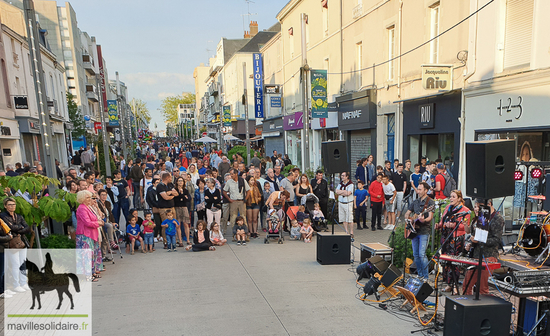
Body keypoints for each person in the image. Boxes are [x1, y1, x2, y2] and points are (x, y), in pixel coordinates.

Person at [463, 199, 504, 295]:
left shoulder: (497, 218)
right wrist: (471, 243)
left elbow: (496, 240)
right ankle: (467, 306)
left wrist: (479, 240)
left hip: (488, 255)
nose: (478, 209)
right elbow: (473, 234)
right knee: (466, 284)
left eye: (481, 206)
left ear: (489, 204)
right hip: (475, 254)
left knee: (482, 288)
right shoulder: (481, 217)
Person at [435, 190, 470, 294]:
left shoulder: (465, 210)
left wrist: (454, 225)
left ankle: (455, 285)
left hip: (456, 239)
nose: (451, 199)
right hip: (446, 237)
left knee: (454, 262)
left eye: (453, 197)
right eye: (450, 196)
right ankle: (449, 284)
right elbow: (443, 220)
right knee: (446, 261)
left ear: (459, 198)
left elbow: (465, 226)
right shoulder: (447, 208)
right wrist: (439, 225)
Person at [404, 182, 435, 280]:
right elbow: (406, 214)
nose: (418, 191)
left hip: (424, 231)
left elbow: (430, 217)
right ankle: (420, 275)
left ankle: (426, 277)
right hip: (414, 231)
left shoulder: (430, 202)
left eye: (420, 189)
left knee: (422, 254)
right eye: (418, 189)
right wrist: (410, 219)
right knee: (416, 255)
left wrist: (423, 220)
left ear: (426, 190)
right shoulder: (415, 201)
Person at [1, 197, 29, 294]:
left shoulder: (19, 216)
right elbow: (9, 228)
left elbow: (27, 227)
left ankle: (23, 282)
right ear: (5, 206)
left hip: (21, 241)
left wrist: (17, 229)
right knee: (15, 263)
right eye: (10, 205)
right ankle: (16, 284)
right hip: (11, 242)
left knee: (23, 262)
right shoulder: (3, 216)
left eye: (14, 204)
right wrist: (19, 227)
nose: (12, 206)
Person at [75, 191, 104, 282]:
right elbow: (87, 223)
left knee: (93, 253)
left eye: (90, 197)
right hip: (85, 234)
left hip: (92, 233)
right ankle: (88, 276)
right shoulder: (82, 208)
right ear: (82, 199)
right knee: (87, 256)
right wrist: (98, 223)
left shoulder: (88, 207)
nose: (90, 199)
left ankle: (93, 272)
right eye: (87, 198)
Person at [157, 172, 177, 248]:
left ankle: (174, 240)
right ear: (166, 178)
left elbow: (176, 193)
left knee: (174, 223)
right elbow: (165, 197)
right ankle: (166, 241)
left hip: (172, 207)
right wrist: (171, 195)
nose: (171, 179)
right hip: (163, 208)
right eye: (170, 178)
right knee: (166, 224)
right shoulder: (160, 186)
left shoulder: (170, 185)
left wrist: (170, 193)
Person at [335, 172, 354, 237]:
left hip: (348, 203)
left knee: (349, 218)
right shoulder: (340, 184)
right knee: (343, 218)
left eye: (343, 176)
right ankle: (346, 231)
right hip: (341, 203)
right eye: (341, 175)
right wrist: (344, 192)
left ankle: (351, 232)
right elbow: (336, 191)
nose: (342, 177)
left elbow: (348, 193)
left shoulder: (351, 184)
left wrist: (341, 192)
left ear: (347, 177)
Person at [173, 177, 191, 246]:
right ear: (177, 182)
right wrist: (182, 196)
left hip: (184, 207)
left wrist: (182, 194)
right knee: (178, 225)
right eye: (179, 181)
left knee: (186, 224)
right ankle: (180, 241)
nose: (180, 182)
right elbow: (176, 199)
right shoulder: (174, 190)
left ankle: (188, 240)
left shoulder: (185, 190)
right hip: (177, 207)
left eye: (182, 181)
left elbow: (186, 199)